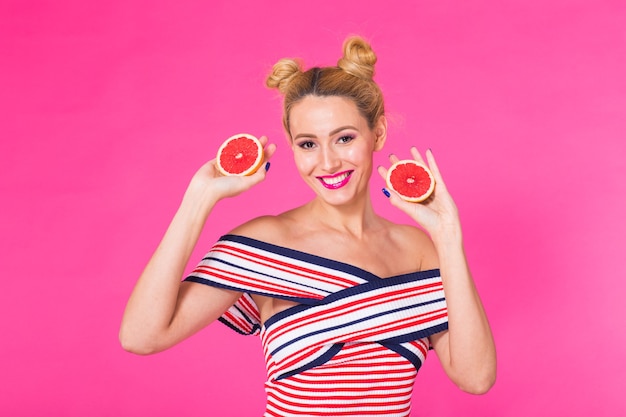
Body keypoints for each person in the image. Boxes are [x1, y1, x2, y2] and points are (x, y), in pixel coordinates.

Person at [120, 35, 496, 417]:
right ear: (291, 145)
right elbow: (141, 337)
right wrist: (197, 199)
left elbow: (475, 377)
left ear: (377, 133)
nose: (328, 163)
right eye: (308, 144)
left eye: (344, 138)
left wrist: (449, 236)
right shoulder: (263, 244)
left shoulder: (419, 251)